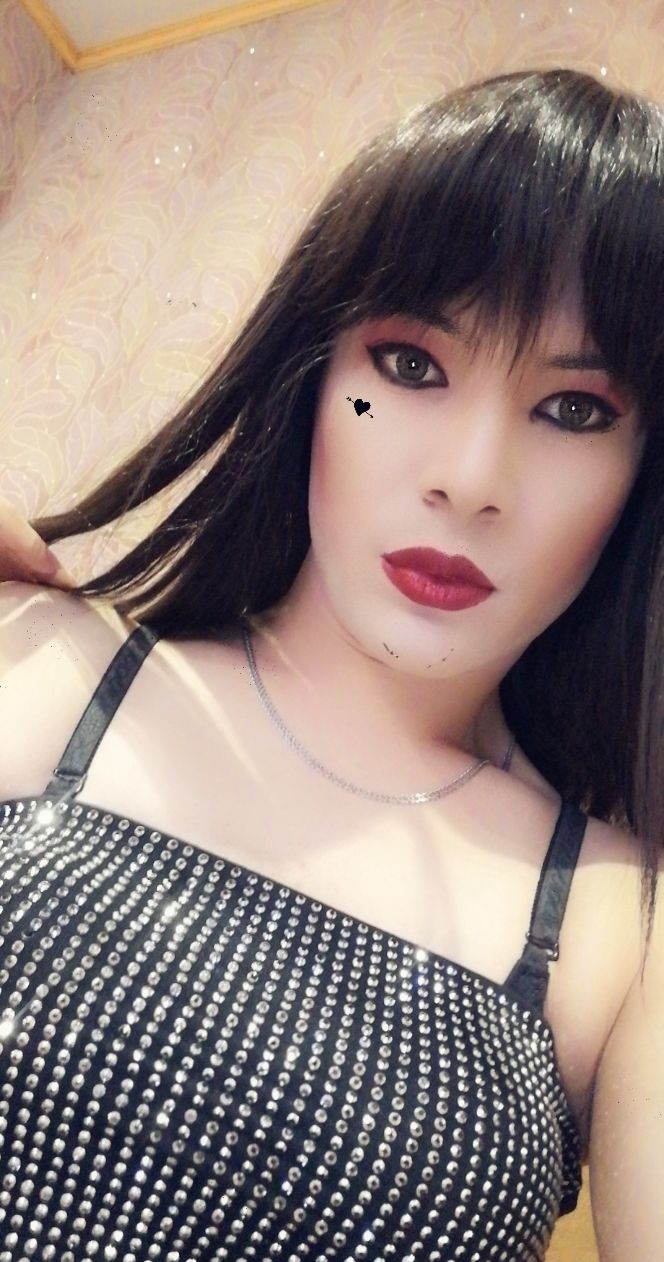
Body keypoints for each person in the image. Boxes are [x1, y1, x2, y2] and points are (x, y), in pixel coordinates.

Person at [0, 65, 662, 1262]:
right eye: (409, 365)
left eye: (575, 410)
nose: (469, 478)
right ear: (313, 375)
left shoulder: (623, 917)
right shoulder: (44, 663)